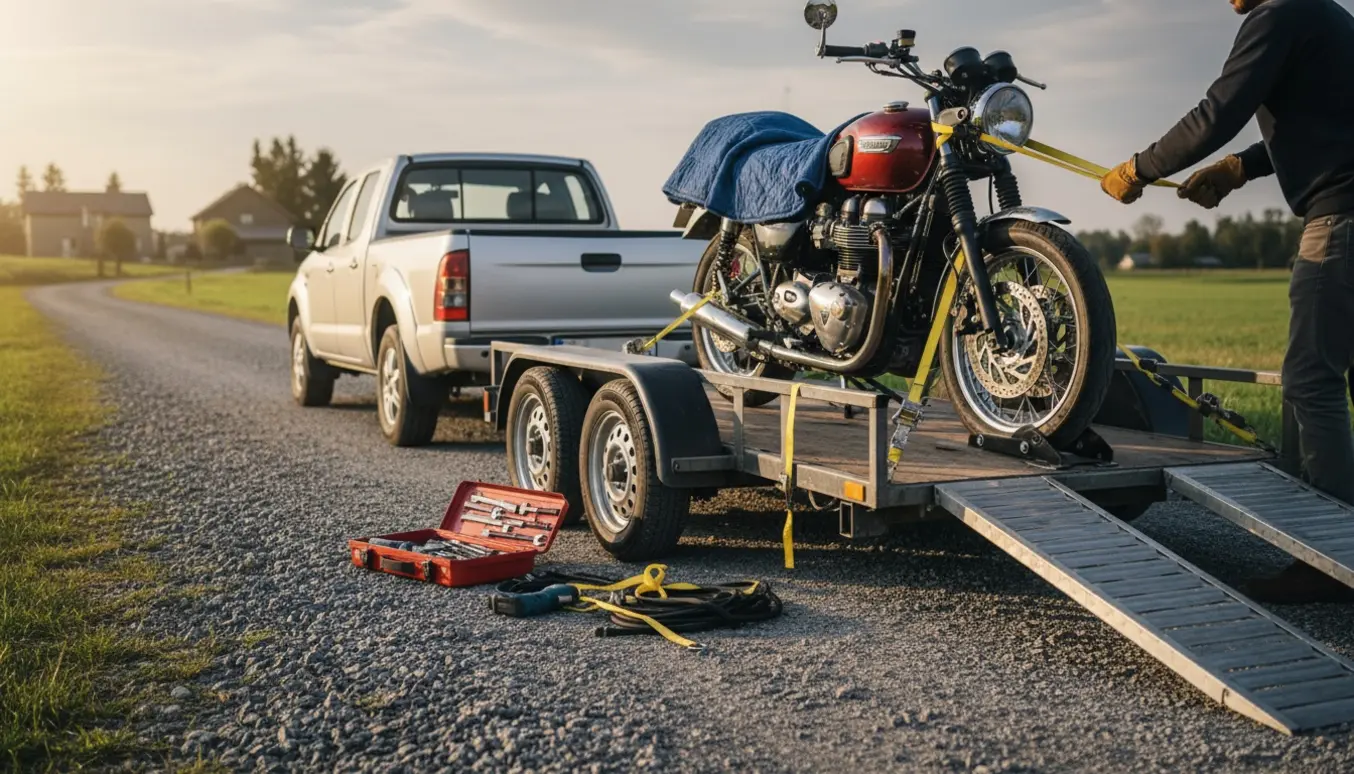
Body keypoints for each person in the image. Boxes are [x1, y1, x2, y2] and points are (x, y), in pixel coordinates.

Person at [1100, 0, 1354, 603]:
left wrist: (1141, 167)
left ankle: (1332, 558)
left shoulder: (1278, 13)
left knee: (1310, 382)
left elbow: (1218, 110)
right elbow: (1327, 119)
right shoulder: (1330, 15)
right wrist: (1242, 167)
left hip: (1341, 222)